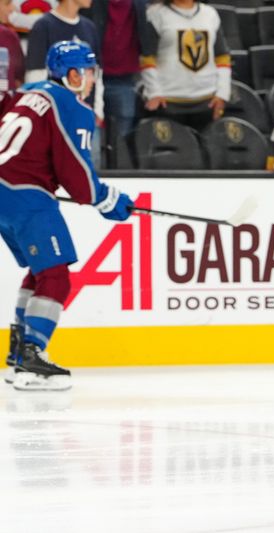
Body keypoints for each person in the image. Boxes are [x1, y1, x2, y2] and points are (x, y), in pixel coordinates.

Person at [1, 41, 133, 390]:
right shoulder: (71, 106)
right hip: (25, 196)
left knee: (41, 270)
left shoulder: (26, 94)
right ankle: (32, 357)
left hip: (6, 192)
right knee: (57, 277)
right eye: (89, 73)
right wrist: (107, 199)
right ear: (73, 74)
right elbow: (77, 173)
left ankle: (17, 357)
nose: (91, 81)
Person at [140, 0, 231, 132]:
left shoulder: (210, 14)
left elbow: (222, 57)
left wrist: (222, 93)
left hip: (206, 101)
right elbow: (147, 58)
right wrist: (154, 92)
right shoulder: (155, 15)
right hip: (167, 101)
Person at [87, 0, 148, 164]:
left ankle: (119, 173)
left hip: (125, 78)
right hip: (91, 77)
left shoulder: (139, 4)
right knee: (91, 135)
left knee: (122, 139)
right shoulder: (91, 4)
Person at [0, 0, 25, 90]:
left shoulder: (8, 35)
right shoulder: (7, 35)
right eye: (7, 3)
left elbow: (18, 77)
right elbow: (19, 79)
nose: (13, 9)